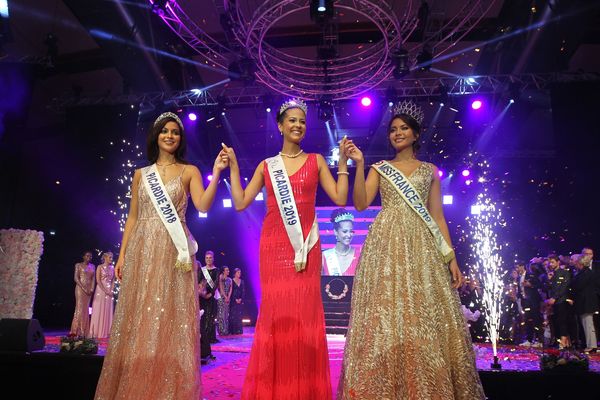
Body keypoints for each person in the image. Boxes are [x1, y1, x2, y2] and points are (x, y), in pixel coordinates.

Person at [338, 101, 485, 399]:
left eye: (404, 128)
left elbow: (438, 216)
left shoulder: (430, 171)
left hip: (422, 244)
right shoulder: (380, 168)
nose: (397, 133)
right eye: (393, 129)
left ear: (416, 134)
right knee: (387, 310)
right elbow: (361, 204)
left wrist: (451, 257)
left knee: (422, 309)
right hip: (386, 242)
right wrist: (360, 164)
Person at [223, 98, 353, 400]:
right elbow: (241, 202)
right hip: (274, 246)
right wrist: (232, 168)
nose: (297, 125)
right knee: (276, 312)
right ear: (281, 125)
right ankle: (274, 387)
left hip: (306, 245)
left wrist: (343, 164)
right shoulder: (267, 166)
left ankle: (303, 388)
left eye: (302, 121)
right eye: (291, 120)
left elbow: (339, 198)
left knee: (305, 313)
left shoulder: (317, 160)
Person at [94, 112, 228, 399]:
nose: (170, 136)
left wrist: (216, 172)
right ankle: (136, 381)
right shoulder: (141, 174)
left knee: (169, 316)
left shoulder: (189, 170)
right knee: (139, 313)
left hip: (173, 250)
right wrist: (122, 255)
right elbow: (132, 218)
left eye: (175, 132)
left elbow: (203, 203)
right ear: (156, 136)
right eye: (165, 131)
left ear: (180, 138)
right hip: (142, 248)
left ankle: (167, 386)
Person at [571, 253, 598, 352]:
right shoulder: (584, 272)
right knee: (587, 323)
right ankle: (590, 344)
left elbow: (578, 285)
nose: (576, 264)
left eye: (577, 262)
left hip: (587, 302)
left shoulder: (586, 273)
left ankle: (592, 345)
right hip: (584, 302)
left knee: (588, 323)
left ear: (580, 263)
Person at [544, 254, 572, 349]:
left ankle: (564, 343)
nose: (550, 264)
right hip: (553, 302)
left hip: (562, 300)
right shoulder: (551, 274)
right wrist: (549, 280)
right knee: (555, 322)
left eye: (552, 262)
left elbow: (563, 287)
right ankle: (557, 341)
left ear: (558, 262)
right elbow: (548, 288)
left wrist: (555, 298)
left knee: (562, 322)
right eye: (549, 262)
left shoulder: (565, 273)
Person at [322, 208, 358, 276]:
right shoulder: (325, 257)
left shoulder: (359, 255)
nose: (349, 235)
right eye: (345, 231)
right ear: (335, 232)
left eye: (351, 231)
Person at [516, 260, 543, 347]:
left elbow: (539, 284)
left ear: (522, 266)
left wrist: (530, 285)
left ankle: (539, 341)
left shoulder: (531, 275)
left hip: (533, 301)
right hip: (525, 302)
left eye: (517, 267)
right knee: (527, 320)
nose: (516, 269)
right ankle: (529, 339)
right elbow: (520, 290)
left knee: (536, 320)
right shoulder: (519, 277)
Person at [89, 251, 115, 338]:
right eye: (110, 257)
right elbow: (98, 280)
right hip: (100, 290)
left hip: (109, 291)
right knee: (99, 308)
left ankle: (107, 331)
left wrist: (111, 290)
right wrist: (105, 290)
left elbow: (113, 281)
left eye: (112, 257)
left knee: (108, 309)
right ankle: (97, 331)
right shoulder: (99, 267)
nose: (111, 259)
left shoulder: (112, 268)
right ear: (105, 258)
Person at [69, 251, 95, 337]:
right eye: (87, 256)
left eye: (90, 256)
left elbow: (93, 279)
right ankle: (76, 330)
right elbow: (76, 278)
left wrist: (91, 289)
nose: (89, 257)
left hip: (88, 291)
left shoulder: (93, 266)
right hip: (80, 289)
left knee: (86, 310)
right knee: (79, 308)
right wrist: (84, 288)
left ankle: (85, 331)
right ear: (83, 256)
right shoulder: (78, 265)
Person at [198, 250, 220, 343]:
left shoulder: (216, 270)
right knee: (203, 317)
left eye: (210, 258)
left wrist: (210, 294)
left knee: (210, 317)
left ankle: (210, 337)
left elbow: (216, 283)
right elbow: (199, 281)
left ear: (213, 258)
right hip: (202, 297)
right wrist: (202, 293)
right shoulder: (202, 270)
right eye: (207, 258)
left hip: (211, 296)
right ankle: (203, 338)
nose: (208, 259)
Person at [199, 276, 215, 363]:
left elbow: (213, 287)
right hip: (197, 303)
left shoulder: (208, 278)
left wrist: (208, 294)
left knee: (202, 329)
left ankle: (205, 352)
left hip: (204, 305)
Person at [216, 265, 232, 336]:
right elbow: (221, 288)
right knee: (221, 315)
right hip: (221, 298)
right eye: (226, 270)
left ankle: (226, 330)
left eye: (228, 270)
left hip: (227, 299)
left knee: (226, 314)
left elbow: (230, 289)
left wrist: (228, 297)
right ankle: (221, 330)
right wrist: (225, 297)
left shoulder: (230, 279)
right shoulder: (221, 277)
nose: (228, 271)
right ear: (223, 271)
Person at [229, 267, 245, 335]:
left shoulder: (242, 281)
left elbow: (243, 291)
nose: (239, 274)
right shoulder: (231, 281)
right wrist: (235, 299)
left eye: (240, 272)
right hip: (233, 300)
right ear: (235, 273)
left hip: (240, 301)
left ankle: (239, 330)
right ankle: (233, 330)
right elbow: (231, 291)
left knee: (239, 316)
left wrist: (241, 299)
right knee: (233, 315)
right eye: (238, 272)